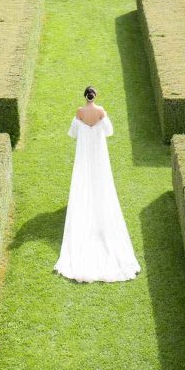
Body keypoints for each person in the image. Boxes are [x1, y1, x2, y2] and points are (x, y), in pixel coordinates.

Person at [54, 86, 140, 283]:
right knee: (101, 179)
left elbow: (73, 132)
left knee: (84, 177)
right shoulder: (101, 112)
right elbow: (109, 131)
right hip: (98, 154)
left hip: (84, 154)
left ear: (84, 97)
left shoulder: (79, 112)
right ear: (95, 96)